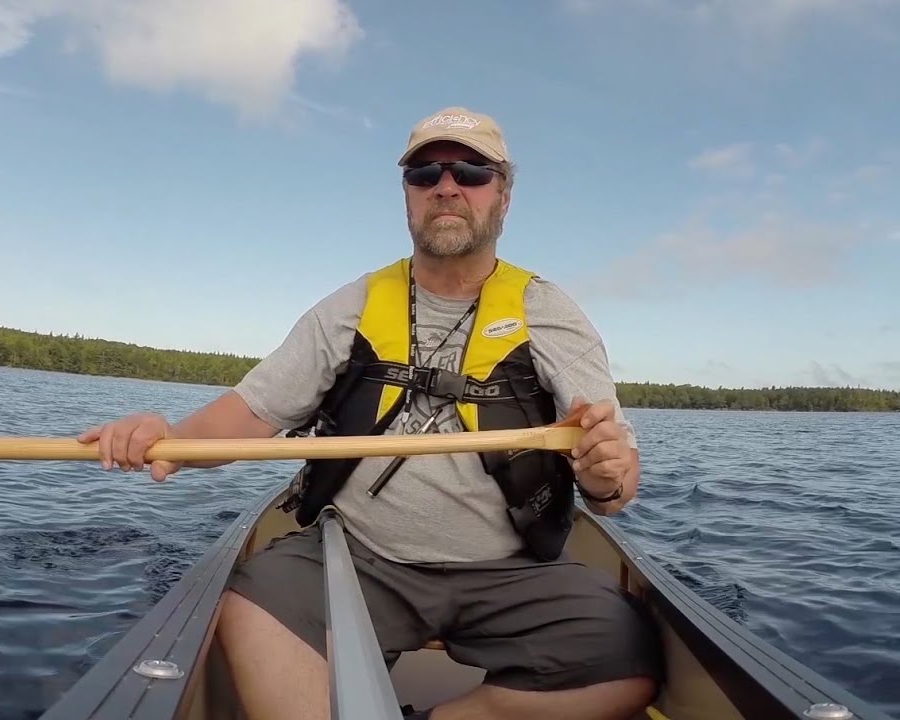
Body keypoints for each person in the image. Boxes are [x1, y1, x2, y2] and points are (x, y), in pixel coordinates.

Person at [78, 106, 663, 720]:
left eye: (471, 171)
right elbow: (252, 413)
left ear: (504, 197)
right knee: (250, 606)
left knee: (625, 658)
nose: (446, 185)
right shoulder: (350, 307)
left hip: (510, 572)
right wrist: (169, 435)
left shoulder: (550, 313)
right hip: (359, 558)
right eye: (424, 173)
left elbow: (613, 485)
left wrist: (604, 474)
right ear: (407, 195)